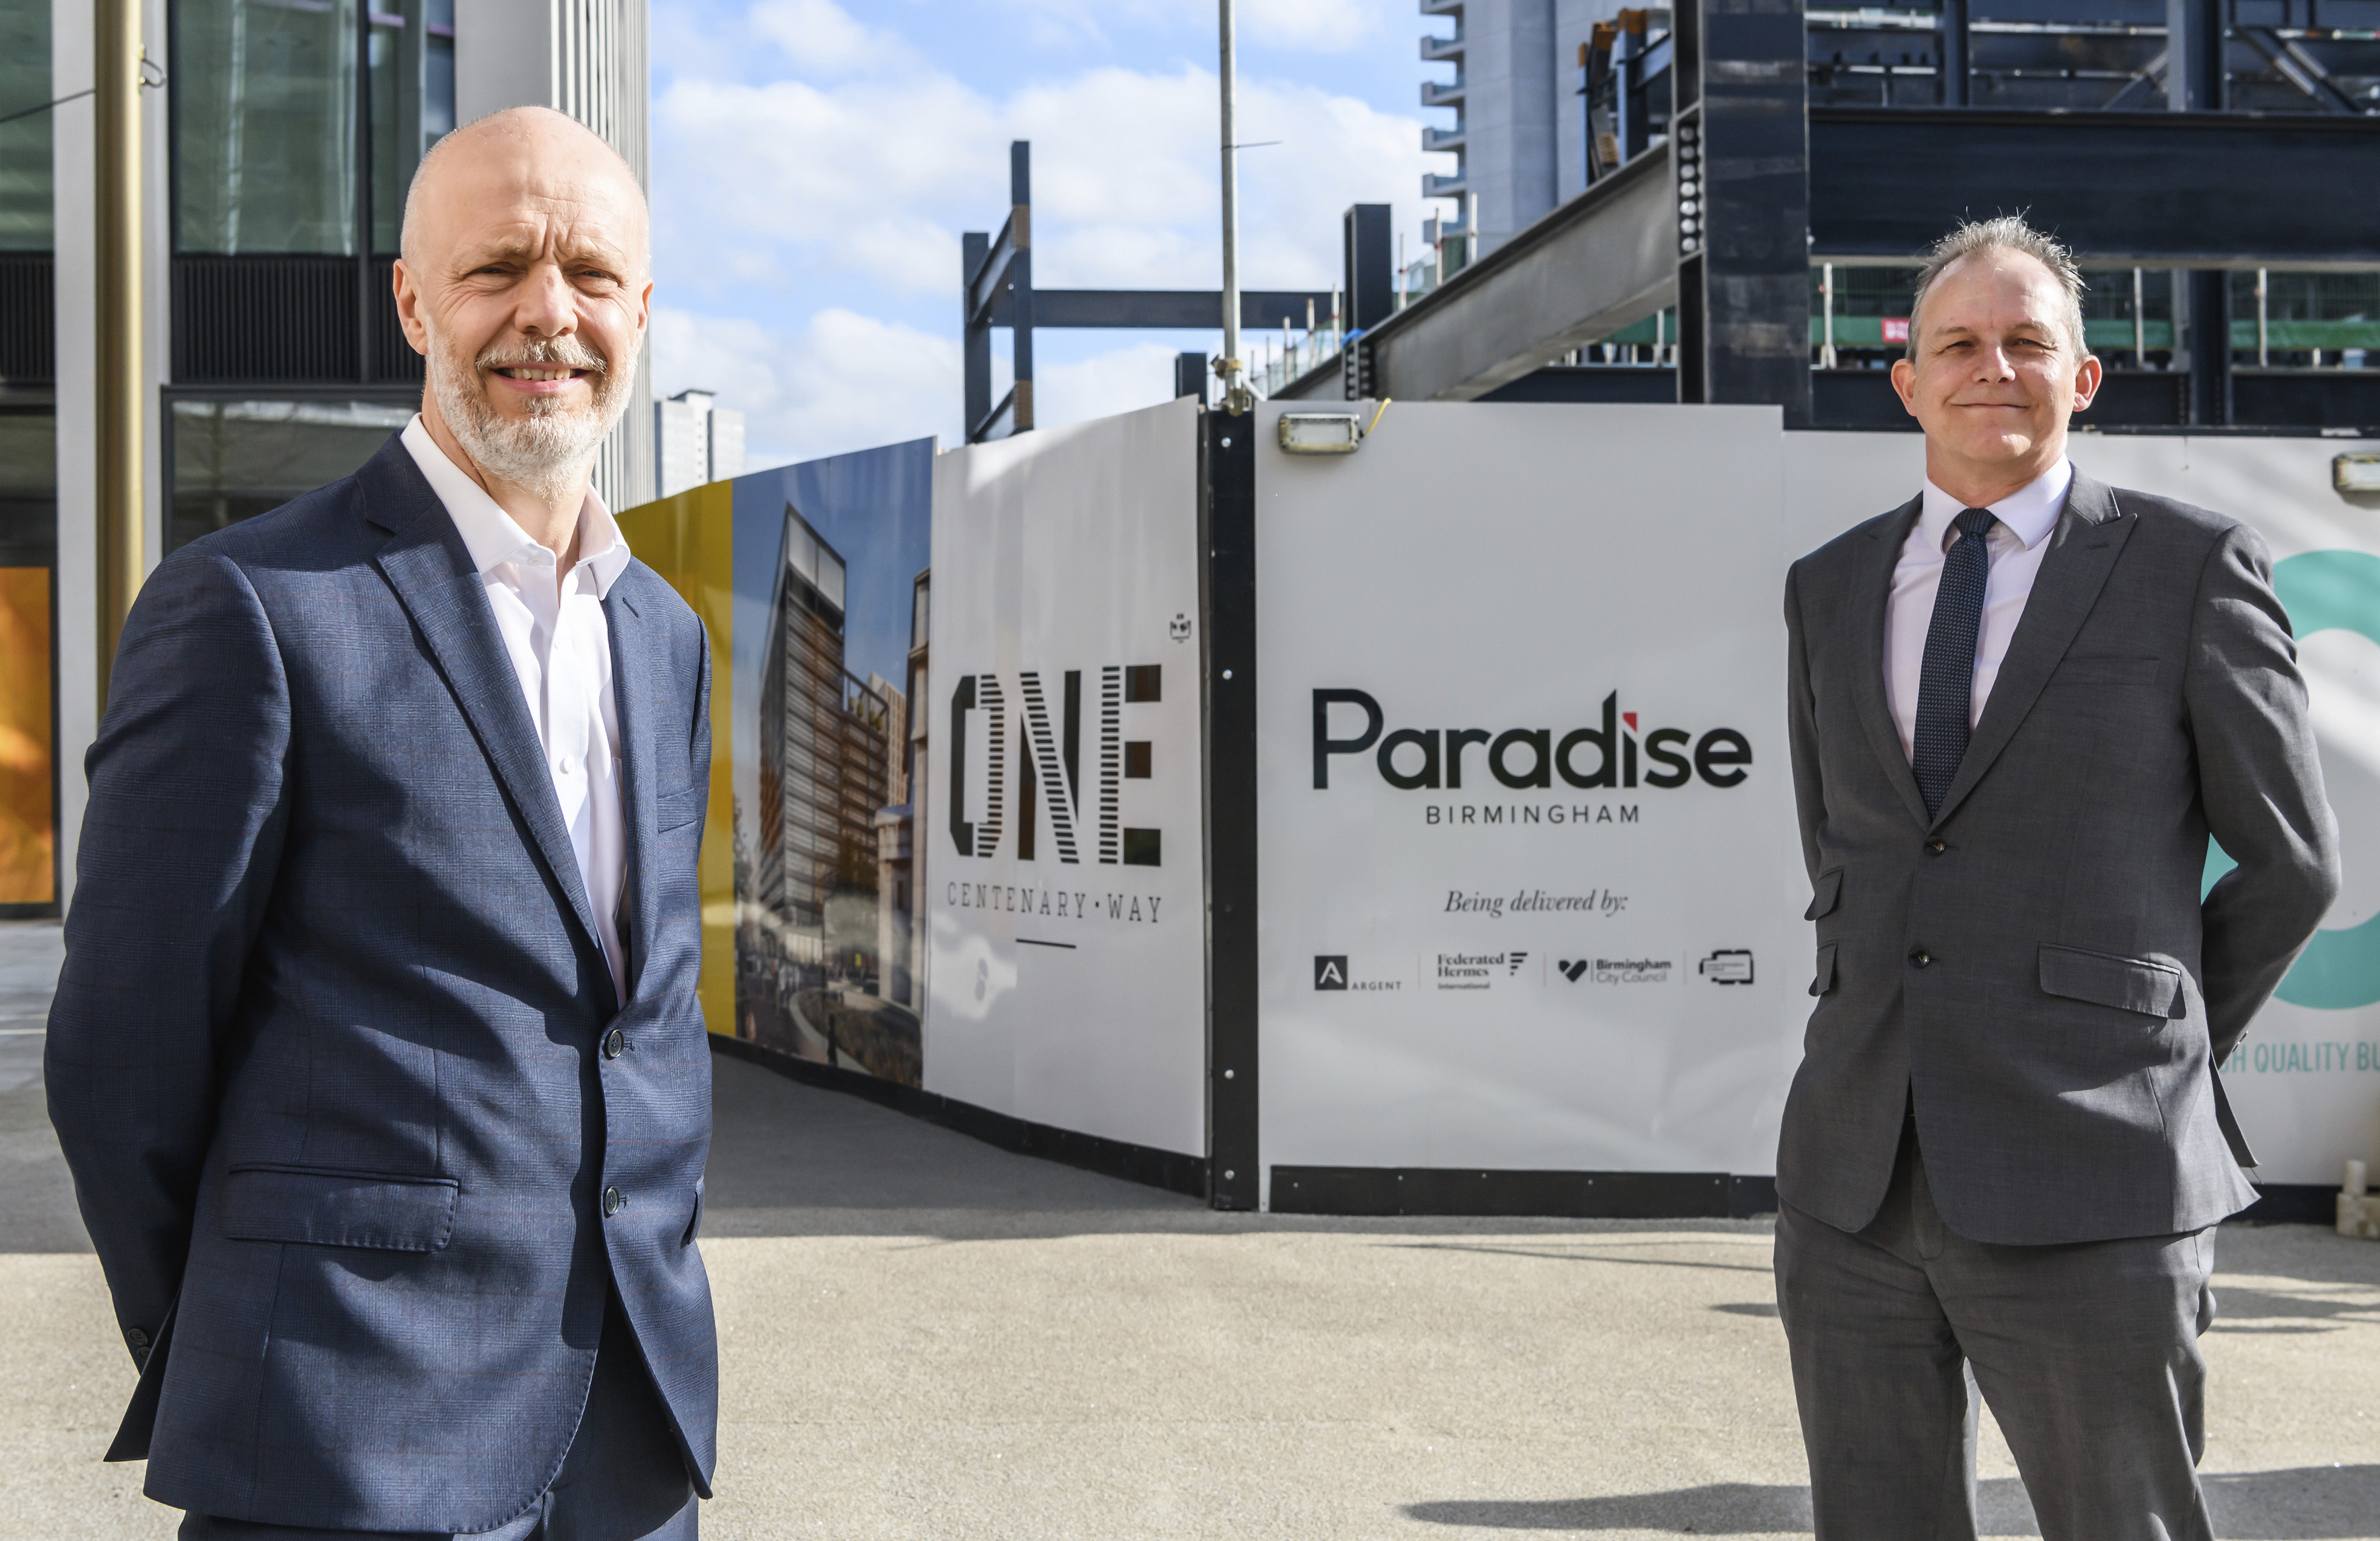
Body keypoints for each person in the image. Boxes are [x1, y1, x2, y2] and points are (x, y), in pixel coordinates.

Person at [45, 107, 715, 1539]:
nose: (550, 315)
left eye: (592, 275)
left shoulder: (665, 637)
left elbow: (642, 1021)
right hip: (339, 1443)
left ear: (642, 310)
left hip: (630, 1451)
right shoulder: (253, 607)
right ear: (413, 300)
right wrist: (254, 1334)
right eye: (497, 272)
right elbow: (122, 1053)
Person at [1775, 216, 2339, 1539]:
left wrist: (2154, 1038)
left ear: (2082, 377)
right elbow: (1847, 851)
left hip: (2097, 1166)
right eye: (1957, 344)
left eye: (2027, 342)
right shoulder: (1828, 586)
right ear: (1905, 380)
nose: (1993, 368)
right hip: (1853, 1176)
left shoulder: (2188, 566)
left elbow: (2292, 863)